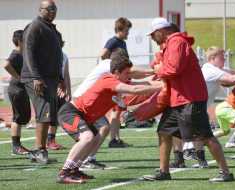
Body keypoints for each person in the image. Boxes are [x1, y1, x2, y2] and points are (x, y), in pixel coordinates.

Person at [143, 17, 234, 182]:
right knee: (164, 132)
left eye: (153, 34)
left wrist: (159, 68)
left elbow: (173, 69)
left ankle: (226, 173)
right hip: (178, 99)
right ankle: (164, 172)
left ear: (161, 31)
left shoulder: (177, 42)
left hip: (189, 99)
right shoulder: (172, 43)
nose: (152, 38)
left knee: (205, 136)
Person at [56, 53, 162, 184]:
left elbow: (143, 83)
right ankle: (64, 172)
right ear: (116, 72)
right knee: (88, 137)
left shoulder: (120, 81)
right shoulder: (109, 79)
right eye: (127, 73)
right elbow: (134, 89)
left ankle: (74, 170)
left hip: (83, 116)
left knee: (94, 139)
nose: (129, 75)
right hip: (70, 113)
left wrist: (164, 79)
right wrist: (162, 86)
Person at [21, 0, 63, 164]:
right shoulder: (35, 26)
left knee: (49, 115)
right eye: (50, 9)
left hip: (50, 79)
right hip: (37, 79)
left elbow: (56, 57)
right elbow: (28, 53)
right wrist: (36, 77)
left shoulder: (51, 28)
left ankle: (41, 150)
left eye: (55, 9)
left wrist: (60, 78)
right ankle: (40, 150)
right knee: (44, 113)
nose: (53, 11)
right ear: (41, 10)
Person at [99, 17, 132, 148]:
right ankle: (113, 139)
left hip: (121, 78)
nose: (128, 33)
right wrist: (113, 68)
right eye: (126, 30)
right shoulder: (113, 41)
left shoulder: (122, 42)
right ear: (120, 29)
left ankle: (116, 138)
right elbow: (103, 54)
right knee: (116, 110)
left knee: (119, 110)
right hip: (115, 80)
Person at [3, 30, 31, 155]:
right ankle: (16, 147)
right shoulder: (16, 53)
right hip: (16, 89)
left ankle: (17, 146)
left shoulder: (24, 54)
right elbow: (6, 64)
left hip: (21, 89)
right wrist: (18, 77)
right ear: (19, 41)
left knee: (23, 117)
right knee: (18, 118)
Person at [47, 38, 71, 150]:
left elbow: (66, 74)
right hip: (50, 88)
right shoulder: (48, 55)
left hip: (60, 89)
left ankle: (51, 140)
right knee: (50, 115)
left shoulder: (64, 56)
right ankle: (48, 142)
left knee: (59, 114)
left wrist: (69, 92)